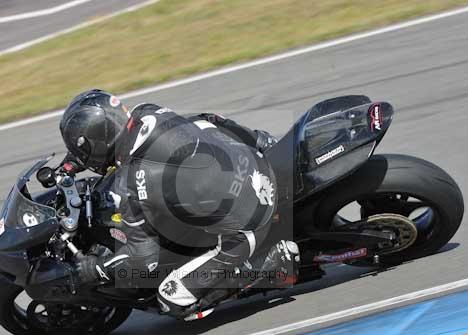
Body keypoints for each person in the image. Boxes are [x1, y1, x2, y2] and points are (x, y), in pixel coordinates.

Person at [59, 89, 300, 320]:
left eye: (84, 149)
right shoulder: (148, 112)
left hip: (249, 223)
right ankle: (259, 144)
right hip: (254, 163)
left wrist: (98, 268)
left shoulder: (127, 186)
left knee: (172, 298)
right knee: (200, 132)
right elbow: (208, 120)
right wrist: (255, 138)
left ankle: (271, 265)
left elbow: (145, 261)